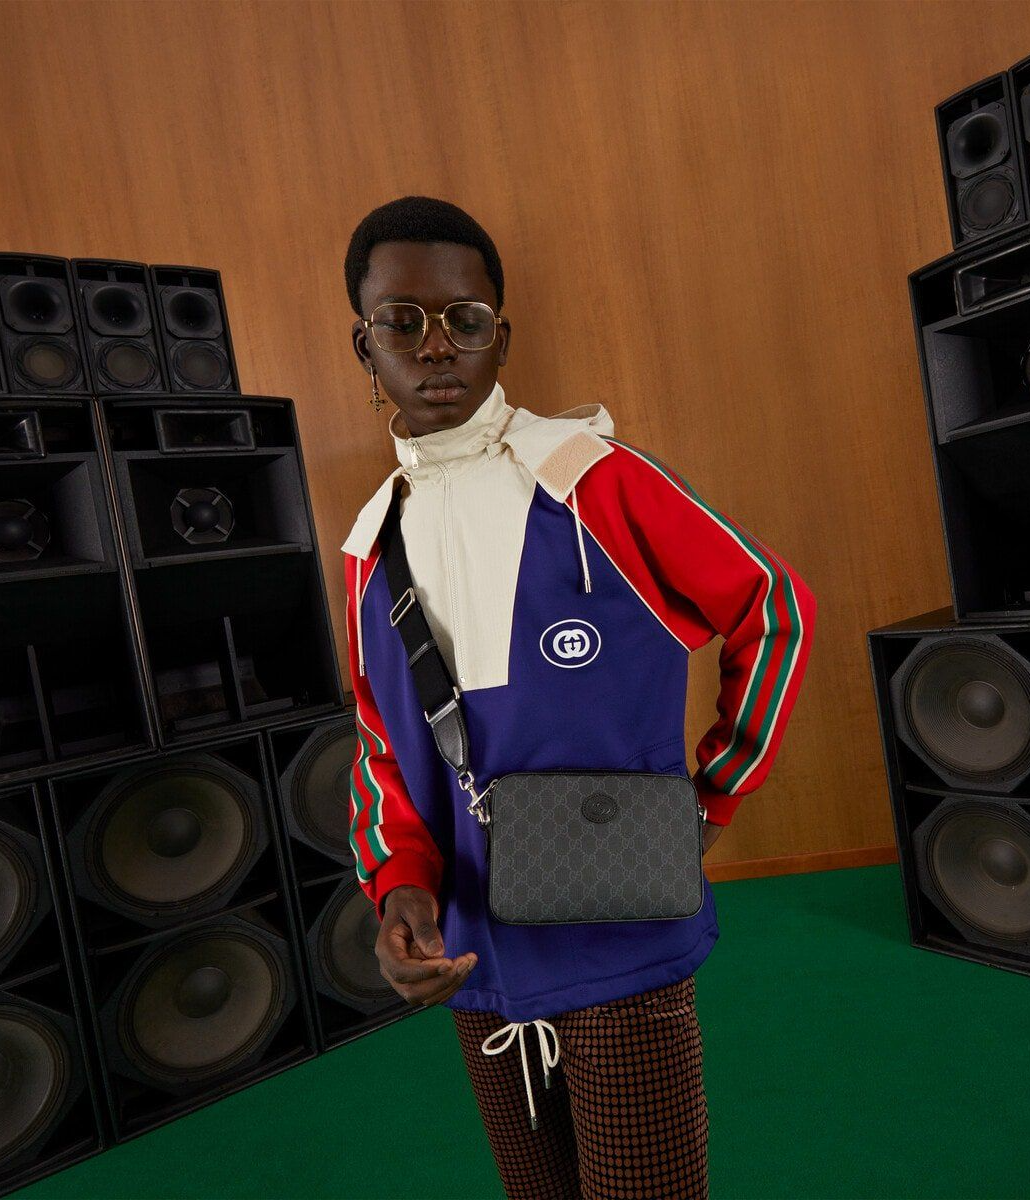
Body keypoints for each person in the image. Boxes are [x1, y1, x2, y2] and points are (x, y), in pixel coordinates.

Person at [339, 195, 816, 1200]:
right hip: (475, 955)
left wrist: (712, 796)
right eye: (402, 321)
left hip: (617, 939)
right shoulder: (370, 545)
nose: (436, 346)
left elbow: (774, 609)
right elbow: (382, 746)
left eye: (465, 319)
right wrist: (402, 891)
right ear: (364, 344)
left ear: (501, 336)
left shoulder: (595, 480)